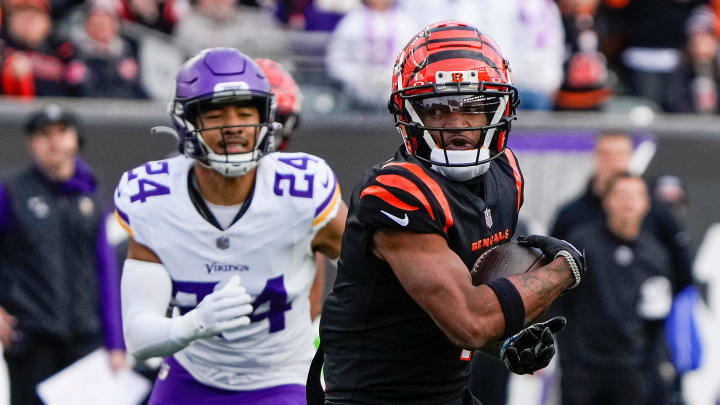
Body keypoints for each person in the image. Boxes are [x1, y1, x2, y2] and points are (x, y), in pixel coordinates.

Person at [313, 21, 586, 405]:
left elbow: (466, 294)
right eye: (438, 108)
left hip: (446, 391)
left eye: (473, 107)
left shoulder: (506, 174)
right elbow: (471, 321)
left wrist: (503, 341)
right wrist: (564, 270)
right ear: (407, 113)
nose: (457, 123)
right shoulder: (397, 191)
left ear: (499, 109)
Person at [115, 47, 347, 405]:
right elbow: (139, 336)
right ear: (188, 122)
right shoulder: (154, 198)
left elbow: (369, 268)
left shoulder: (302, 190)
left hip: (281, 375)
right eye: (217, 114)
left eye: (244, 111)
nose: (234, 125)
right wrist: (192, 325)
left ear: (266, 118)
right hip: (191, 373)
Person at [0, 104, 126, 405]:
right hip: (32, 339)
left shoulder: (89, 192)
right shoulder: (12, 191)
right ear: (32, 142)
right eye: (44, 134)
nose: (54, 141)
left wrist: (116, 343)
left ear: (76, 139)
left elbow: (104, 269)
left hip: (85, 340)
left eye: (62, 132)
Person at [554, 172, 675, 404]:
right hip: (582, 369)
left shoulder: (656, 256)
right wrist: (567, 356)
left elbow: (657, 318)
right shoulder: (580, 244)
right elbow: (559, 302)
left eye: (635, 196)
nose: (628, 203)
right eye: (621, 195)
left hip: (631, 370)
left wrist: (656, 366)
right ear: (607, 201)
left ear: (646, 204)